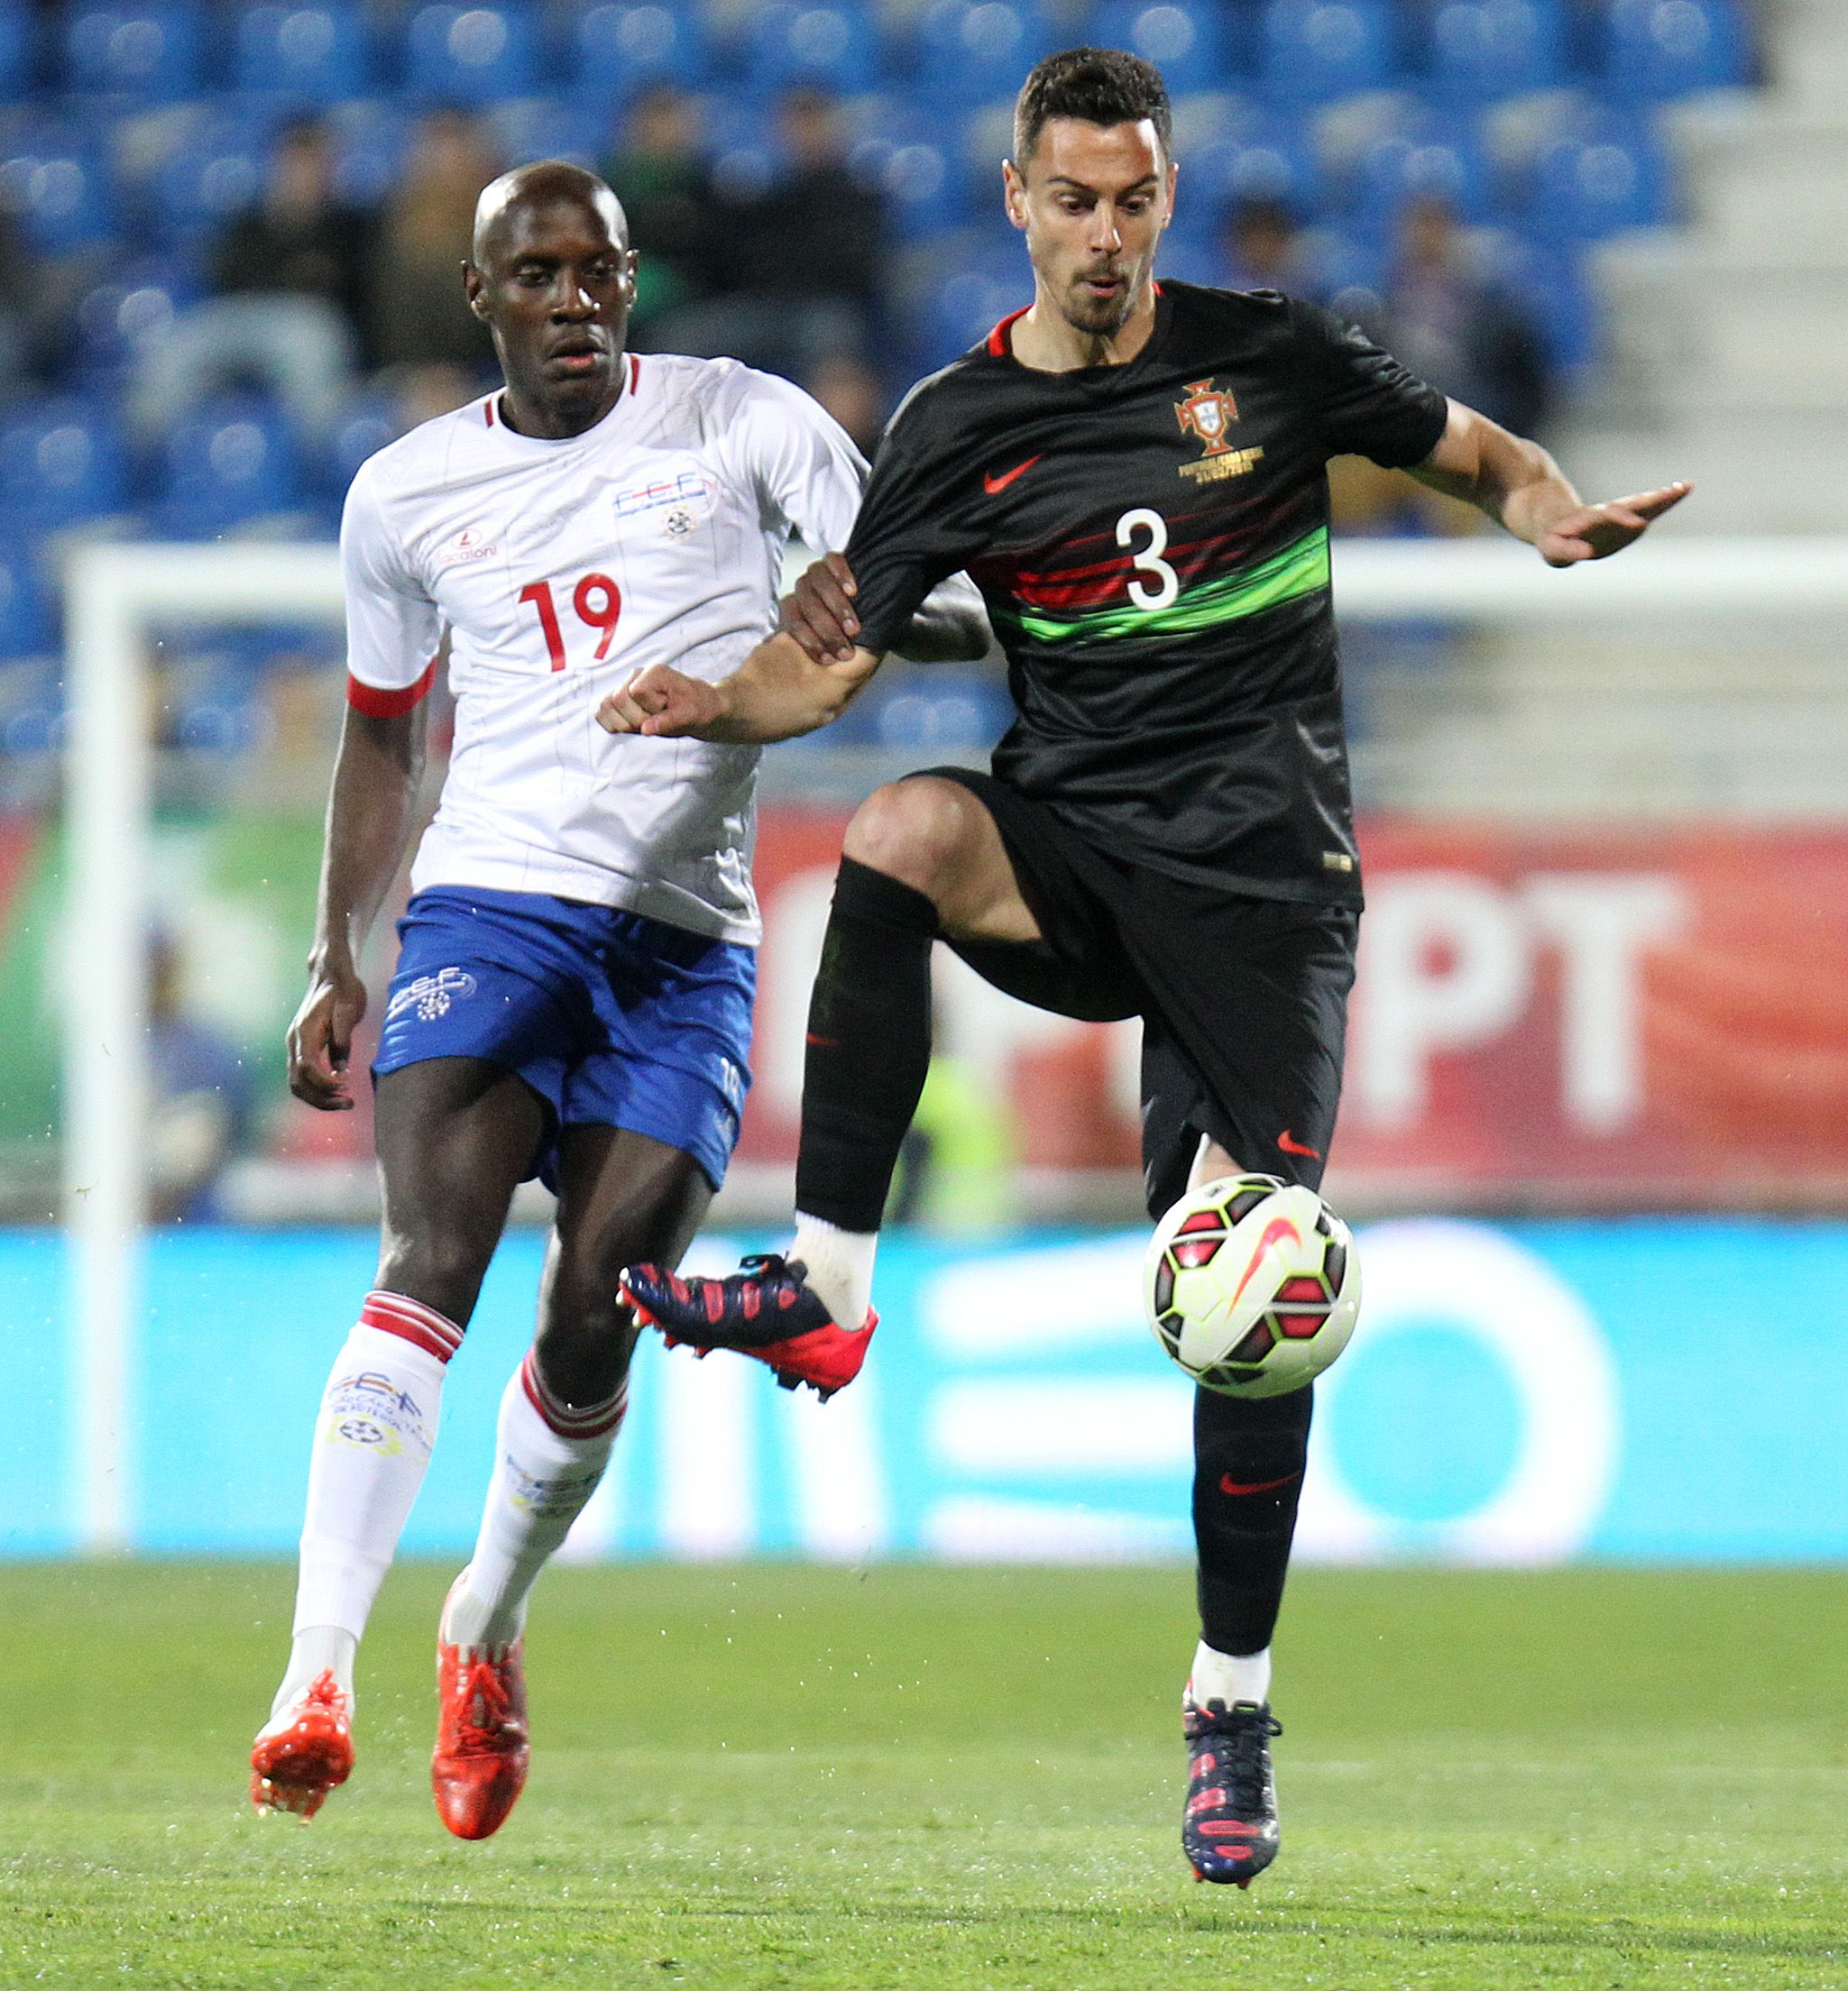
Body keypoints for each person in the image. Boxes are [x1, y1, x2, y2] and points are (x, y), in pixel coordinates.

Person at [607, 47, 1690, 1887]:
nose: (1104, 236)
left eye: (1134, 200)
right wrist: (725, 701)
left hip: (1269, 900)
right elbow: (838, 663)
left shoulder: (1269, 354)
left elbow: (1480, 452)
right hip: (1083, 859)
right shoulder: (954, 428)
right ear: (1014, 197)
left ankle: (1227, 1706)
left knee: (1243, 1290)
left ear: (1161, 199)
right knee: (894, 838)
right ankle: (824, 1280)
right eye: (1073, 201)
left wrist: (1546, 515)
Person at [247, 160, 984, 1838]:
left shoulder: (743, 422)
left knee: (595, 1314)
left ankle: (481, 1628)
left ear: (630, 283)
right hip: (488, 903)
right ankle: (313, 1671)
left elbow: (939, 613)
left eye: (598, 272)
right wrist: (334, 952)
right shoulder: (405, 495)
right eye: (538, 275)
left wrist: (861, 608)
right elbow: (381, 735)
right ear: (481, 297)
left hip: (682, 945)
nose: (573, 299)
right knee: (428, 1257)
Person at [130, 118, 374, 445]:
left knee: (310, 345)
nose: (303, 174)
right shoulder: (251, 220)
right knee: (179, 346)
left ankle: (316, 460)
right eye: (294, 163)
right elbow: (225, 275)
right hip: (241, 315)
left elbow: (350, 287)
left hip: (305, 322)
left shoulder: (351, 226)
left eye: (312, 163)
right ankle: (143, 455)